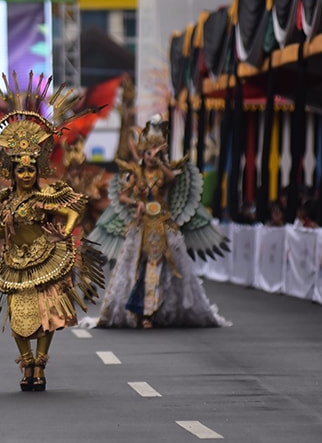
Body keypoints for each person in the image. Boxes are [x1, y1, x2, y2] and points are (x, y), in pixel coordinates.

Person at [0, 71, 105, 392]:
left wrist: (65, 234)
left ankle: (41, 364)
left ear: (37, 170)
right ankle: (26, 362)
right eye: (20, 169)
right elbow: (2, 232)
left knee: (46, 313)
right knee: (18, 313)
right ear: (11, 171)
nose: (25, 174)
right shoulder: (5, 200)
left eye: (30, 169)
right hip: (15, 263)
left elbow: (72, 211)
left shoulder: (44, 196)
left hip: (44, 258)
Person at [91, 115, 229, 328]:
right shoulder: (136, 173)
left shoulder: (164, 173)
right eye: (148, 153)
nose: (150, 157)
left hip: (163, 226)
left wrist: (161, 161)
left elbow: (172, 179)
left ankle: (152, 312)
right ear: (142, 154)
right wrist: (136, 203)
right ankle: (138, 311)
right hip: (141, 226)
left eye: (154, 153)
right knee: (135, 269)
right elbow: (122, 196)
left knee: (160, 269)